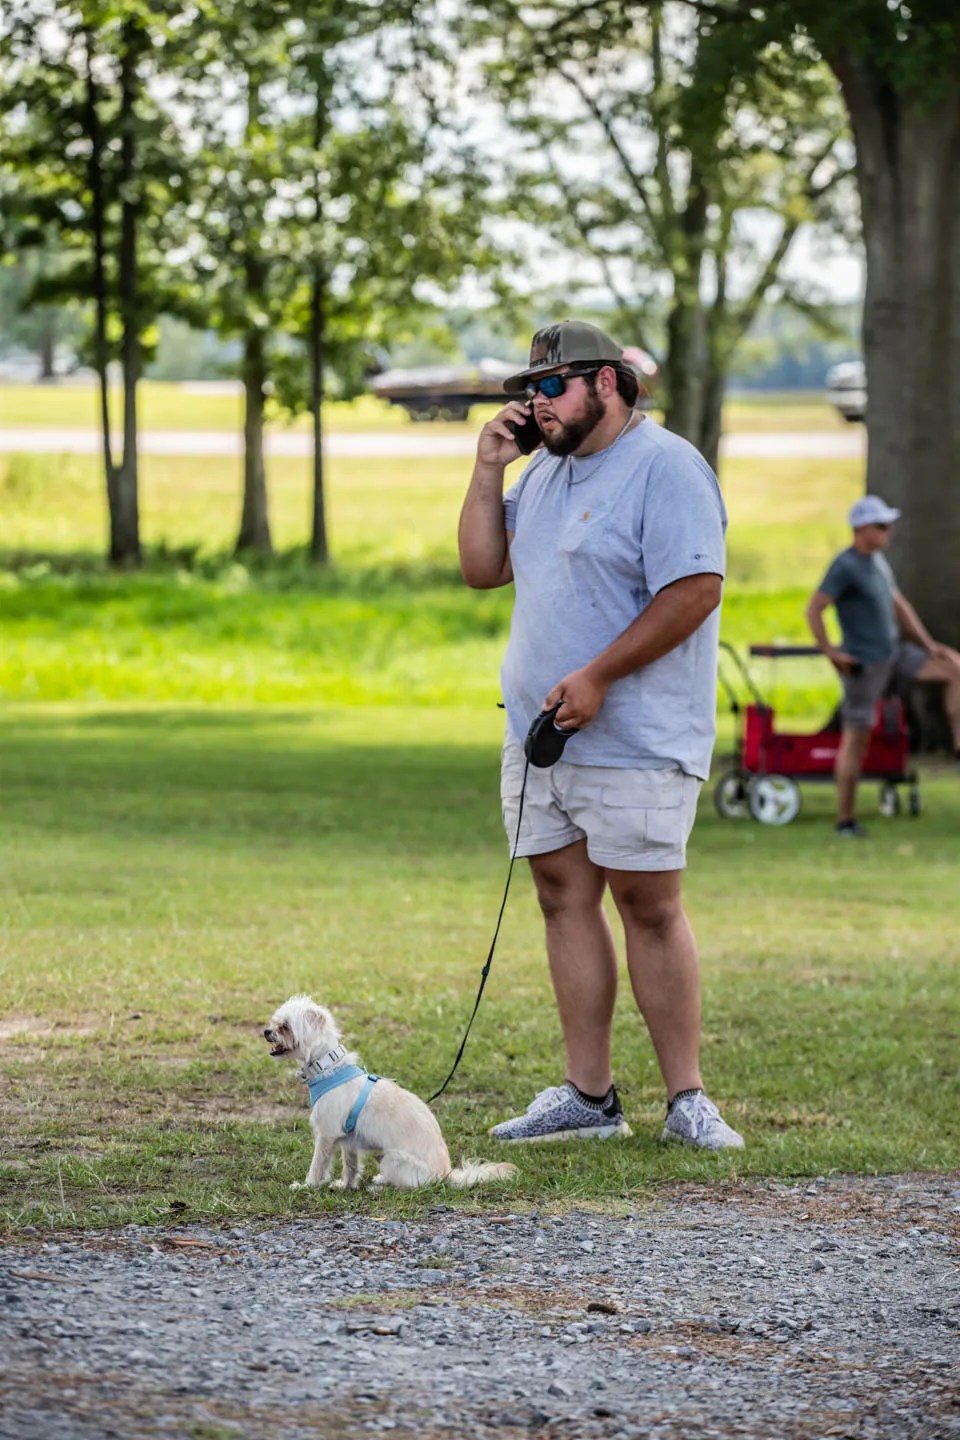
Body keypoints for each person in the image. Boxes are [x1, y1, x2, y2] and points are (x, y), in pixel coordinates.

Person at [457, 319, 743, 1151]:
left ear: (606, 383)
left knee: (648, 905)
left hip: (639, 736)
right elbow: (482, 568)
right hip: (542, 735)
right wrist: (485, 470)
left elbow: (695, 590)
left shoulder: (667, 468)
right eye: (527, 391)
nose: (535, 405)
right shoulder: (541, 473)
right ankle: (589, 1097)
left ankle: (688, 1099)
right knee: (559, 896)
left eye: (551, 387)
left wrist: (601, 675)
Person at [805, 494, 960, 838]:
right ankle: (845, 821)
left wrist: (929, 645)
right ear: (861, 529)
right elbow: (814, 609)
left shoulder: (878, 561)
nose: (889, 531)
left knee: (954, 668)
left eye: (889, 524)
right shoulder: (844, 566)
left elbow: (899, 605)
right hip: (865, 663)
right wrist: (832, 652)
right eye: (881, 525)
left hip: (895, 654)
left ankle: (958, 744)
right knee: (856, 738)